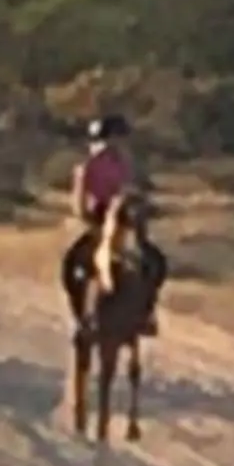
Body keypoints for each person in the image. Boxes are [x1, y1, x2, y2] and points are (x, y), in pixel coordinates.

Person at [62, 113, 164, 334]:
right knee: (74, 263)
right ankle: (80, 316)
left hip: (124, 218)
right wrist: (87, 217)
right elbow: (78, 199)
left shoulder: (127, 164)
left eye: (119, 138)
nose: (115, 143)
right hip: (96, 218)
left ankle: (146, 311)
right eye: (112, 138)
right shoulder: (87, 167)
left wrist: (141, 206)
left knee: (154, 261)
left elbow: (137, 190)